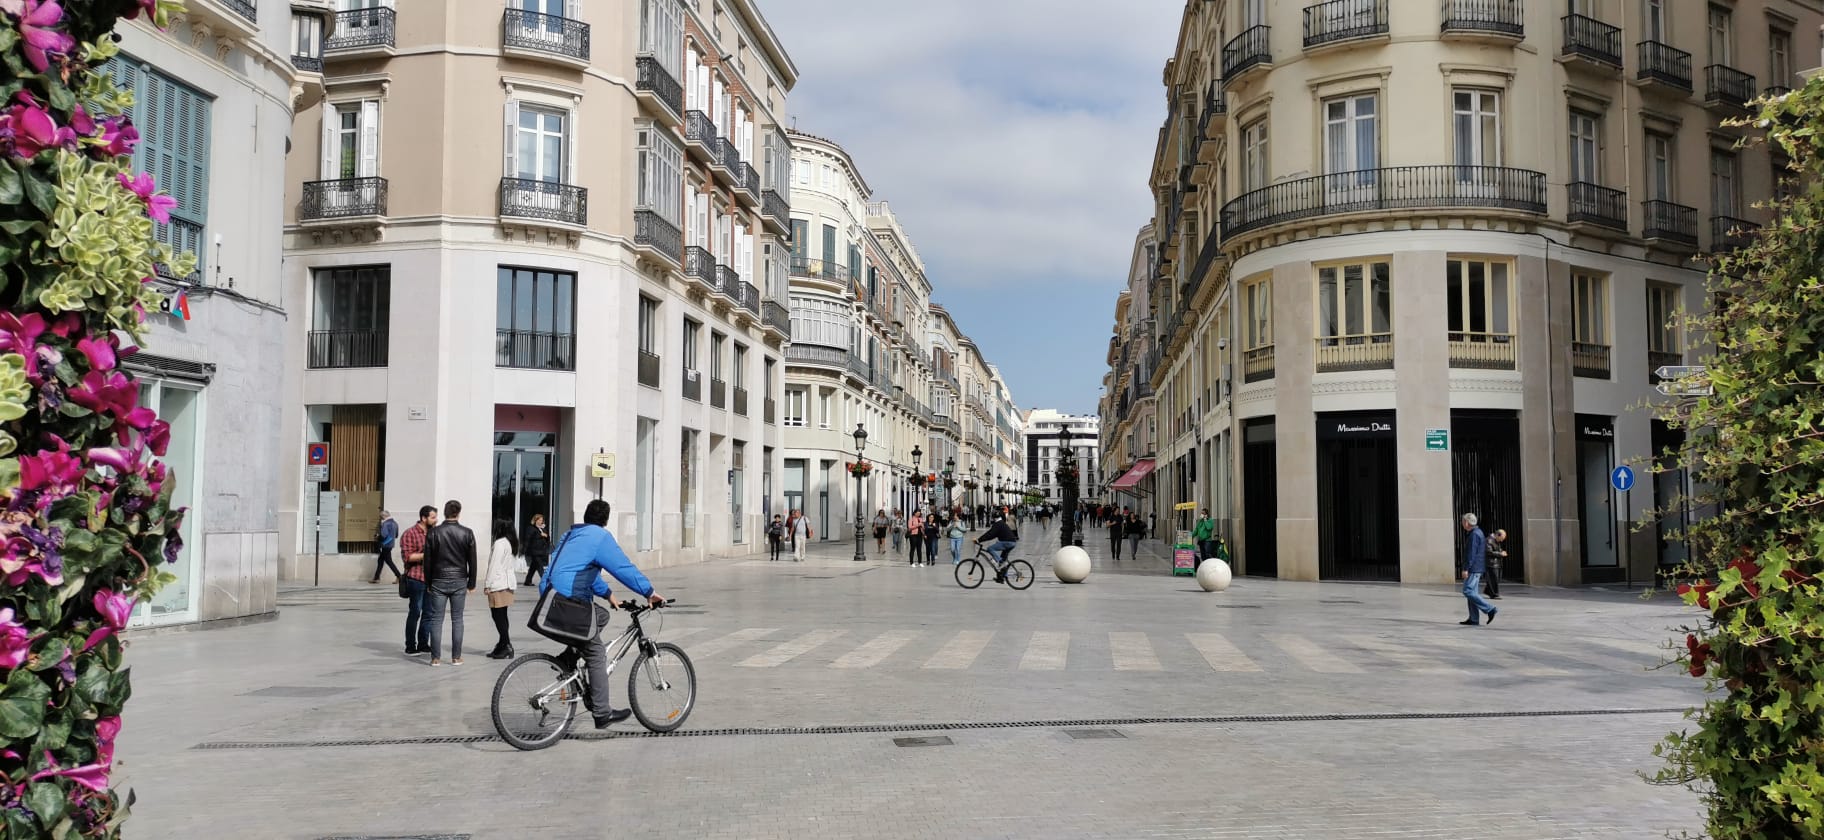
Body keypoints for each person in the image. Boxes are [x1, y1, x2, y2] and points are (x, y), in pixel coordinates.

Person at [539, 499, 666, 728]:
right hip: (570, 604)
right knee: (596, 652)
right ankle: (602, 713)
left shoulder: (570, 536)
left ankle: (569, 656)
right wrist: (648, 591)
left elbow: (583, 570)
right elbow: (622, 567)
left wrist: (607, 595)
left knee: (602, 616)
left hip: (549, 602)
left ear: (586, 516)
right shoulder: (600, 537)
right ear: (605, 521)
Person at [421, 499, 478, 666]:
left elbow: (428, 561)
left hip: (438, 579)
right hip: (459, 579)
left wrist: (428, 582)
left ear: (444, 513)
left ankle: (435, 658)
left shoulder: (434, 532)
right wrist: (472, 582)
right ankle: (456, 657)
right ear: (458, 513)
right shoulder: (467, 532)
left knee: (436, 619)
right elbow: (472, 560)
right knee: (457, 619)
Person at [399, 505, 437, 656]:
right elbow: (408, 557)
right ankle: (410, 645)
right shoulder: (410, 533)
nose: (436, 520)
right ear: (424, 518)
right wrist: (427, 553)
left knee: (428, 613)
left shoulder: (434, 533)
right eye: (433, 517)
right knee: (415, 612)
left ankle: (423, 643)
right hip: (416, 578)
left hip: (431, 579)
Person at [483, 519, 519, 659]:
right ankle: (502, 644)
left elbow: (494, 565)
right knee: (502, 615)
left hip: (498, 583)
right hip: (507, 583)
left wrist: (488, 584)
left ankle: (506, 645)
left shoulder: (499, 543)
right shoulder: (510, 542)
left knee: (498, 616)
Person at [1458, 513, 1499, 626]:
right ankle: (1474, 618)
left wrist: (1466, 568)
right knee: (1473, 592)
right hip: (1476, 567)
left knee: (1468, 591)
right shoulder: (1477, 532)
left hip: (1474, 568)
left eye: (1462, 521)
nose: (1462, 523)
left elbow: (1471, 554)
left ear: (1466, 522)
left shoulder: (1474, 534)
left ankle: (1490, 609)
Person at [974, 511, 1020, 583]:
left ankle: (1001, 564)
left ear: (993, 518)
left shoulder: (998, 524)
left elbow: (990, 535)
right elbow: (990, 533)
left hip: (1008, 542)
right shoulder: (1000, 523)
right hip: (1012, 542)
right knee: (1003, 560)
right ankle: (1001, 577)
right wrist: (980, 539)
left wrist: (979, 540)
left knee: (990, 549)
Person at [369, 509, 401, 584]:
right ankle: (376, 577)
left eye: (381, 517)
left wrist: (377, 536)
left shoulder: (385, 524)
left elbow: (384, 535)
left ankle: (399, 576)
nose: (381, 518)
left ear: (383, 516)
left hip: (385, 544)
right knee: (380, 560)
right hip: (391, 544)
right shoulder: (395, 523)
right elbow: (396, 535)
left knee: (389, 561)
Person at [521, 513, 551, 587]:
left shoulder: (543, 528)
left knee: (533, 567)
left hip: (541, 550)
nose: (541, 521)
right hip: (534, 550)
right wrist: (524, 550)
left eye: (542, 520)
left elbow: (547, 538)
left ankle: (528, 581)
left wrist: (546, 536)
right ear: (535, 520)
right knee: (540, 566)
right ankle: (545, 581)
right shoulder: (531, 528)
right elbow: (528, 539)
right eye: (539, 520)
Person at [1485, 528, 1509, 599]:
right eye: (1501, 538)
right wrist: (1500, 554)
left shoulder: (1495, 540)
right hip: (1490, 563)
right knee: (1494, 579)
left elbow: (1496, 549)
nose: (1501, 540)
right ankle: (1494, 594)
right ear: (1497, 535)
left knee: (1494, 578)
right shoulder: (1489, 540)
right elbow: (1489, 552)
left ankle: (1489, 591)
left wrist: (1501, 552)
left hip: (1494, 563)